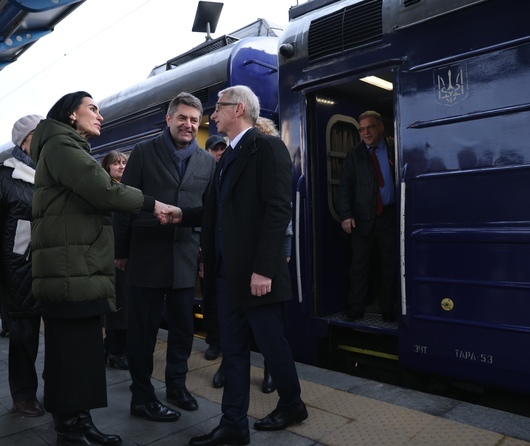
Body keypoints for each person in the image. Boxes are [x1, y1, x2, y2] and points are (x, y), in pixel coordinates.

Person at [31, 91, 171, 445]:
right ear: (70, 114)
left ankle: (80, 422)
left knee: (79, 353)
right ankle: (70, 429)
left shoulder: (66, 147)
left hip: (77, 268)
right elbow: (105, 191)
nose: (100, 116)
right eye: (92, 109)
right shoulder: (63, 147)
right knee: (72, 354)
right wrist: (152, 203)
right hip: (70, 271)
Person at [189, 85, 307, 446]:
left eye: (218, 108)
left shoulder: (266, 147)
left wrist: (265, 269)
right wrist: (178, 214)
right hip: (228, 274)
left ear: (238, 109)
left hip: (256, 274)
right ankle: (233, 424)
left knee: (272, 344)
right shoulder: (227, 158)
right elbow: (217, 213)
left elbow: (277, 210)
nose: (213, 115)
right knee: (234, 350)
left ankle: (291, 404)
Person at [113, 92, 216, 421]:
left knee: (184, 329)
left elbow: (209, 212)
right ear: (169, 119)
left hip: (185, 257)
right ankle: (141, 395)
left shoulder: (206, 162)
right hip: (146, 255)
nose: (188, 124)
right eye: (182, 117)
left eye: (194, 120)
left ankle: (176, 385)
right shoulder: (144, 152)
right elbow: (125, 204)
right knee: (142, 331)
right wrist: (120, 252)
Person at [0, 114, 44, 417]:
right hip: (18, 268)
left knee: (58, 333)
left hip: (54, 264)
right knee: (24, 334)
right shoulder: (5, 176)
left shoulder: (53, 172)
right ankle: (24, 395)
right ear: (25, 141)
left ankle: (58, 389)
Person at [337, 110, 398, 323]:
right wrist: (346, 215)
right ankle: (356, 308)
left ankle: (388, 308)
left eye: (370, 127)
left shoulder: (394, 149)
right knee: (359, 266)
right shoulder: (355, 155)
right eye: (362, 129)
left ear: (381, 127)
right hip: (361, 219)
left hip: (388, 217)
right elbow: (345, 187)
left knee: (390, 265)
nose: (366, 133)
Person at [101, 151, 130, 369]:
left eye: (123, 163)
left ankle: (112, 347)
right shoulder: (106, 191)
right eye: (116, 163)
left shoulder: (126, 189)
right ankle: (115, 351)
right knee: (117, 306)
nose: (121, 167)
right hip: (110, 258)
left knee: (124, 305)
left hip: (127, 258)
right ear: (107, 167)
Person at [201, 135, 227, 362]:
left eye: (222, 149)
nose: (219, 153)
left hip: (226, 247)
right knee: (210, 296)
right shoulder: (203, 176)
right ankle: (214, 341)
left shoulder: (230, 172)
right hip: (207, 248)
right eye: (215, 149)